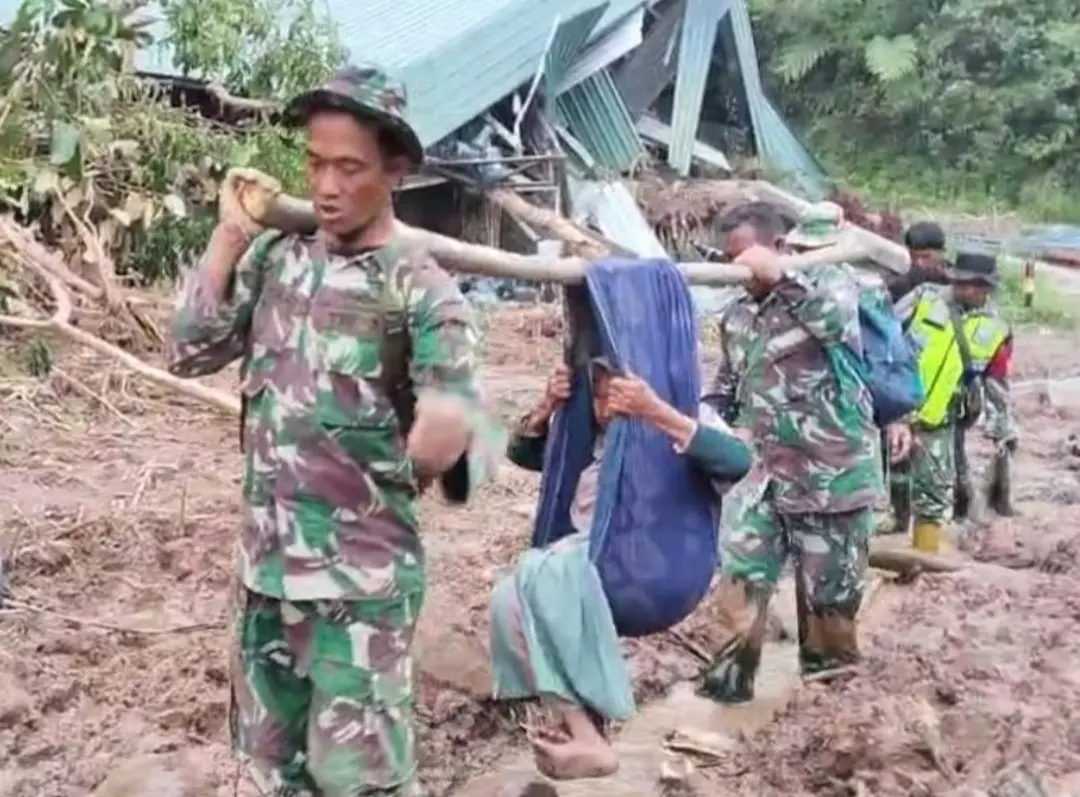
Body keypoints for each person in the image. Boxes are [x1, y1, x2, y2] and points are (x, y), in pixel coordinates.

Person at [166, 64, 503, 797]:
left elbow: (452, 421)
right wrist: (229, 235)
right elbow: (188, 351)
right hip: (265, 577)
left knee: (362, 783)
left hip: (360, 592)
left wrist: (428, 447)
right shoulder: (277, 257)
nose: (325, 186)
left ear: (395, 170)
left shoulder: (422, 289)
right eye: (315, 163)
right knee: (271, 773)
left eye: (349, 168)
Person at [489, 360, 752, 781]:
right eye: (598, 395)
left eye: (615, 392)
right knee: (509, 597)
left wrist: (653, 411)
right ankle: (578, 725)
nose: (608, 405)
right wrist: (547, 406)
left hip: (653, 562)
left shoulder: (682, 410)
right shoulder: (586, 433)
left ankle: (589, 729)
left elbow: (737, 460)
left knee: (546, 569)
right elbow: (526, 453)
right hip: (590, 555)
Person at [699, 206, 901, 706]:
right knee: (740, 576)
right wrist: (701, 417)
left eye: (743, 257)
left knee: (829, 602)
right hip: (763, 476)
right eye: (728, 259)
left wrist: (783, 278)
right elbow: (729, 382)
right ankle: (727, 688)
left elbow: (832, 321)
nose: (736, 269)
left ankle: (824, 708)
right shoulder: (739, 314)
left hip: (831, 476)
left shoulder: (835, 286)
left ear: (778, 247)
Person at [892, 251, 1017, 552]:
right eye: (961, 282)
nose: (966, 289)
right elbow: (887, 333)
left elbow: (996, 381)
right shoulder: (924, 298)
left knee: (932, 488)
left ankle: (924, 553)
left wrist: (1001, 427)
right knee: (894, 476)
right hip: (896, 407)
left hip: (940, 416)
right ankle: (894, 529)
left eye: (974, 285)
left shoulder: (997, 327)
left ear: (986, 288)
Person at [878, 221, 956, 534]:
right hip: (904, 380)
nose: (921, 264)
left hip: (945, 386)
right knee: (897, 454)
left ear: (941, 253)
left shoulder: (955, 287)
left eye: (927, 257)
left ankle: (949, 515)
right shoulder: (898, 287)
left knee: (944, 457)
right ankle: (899, 516)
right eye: (915, 257)